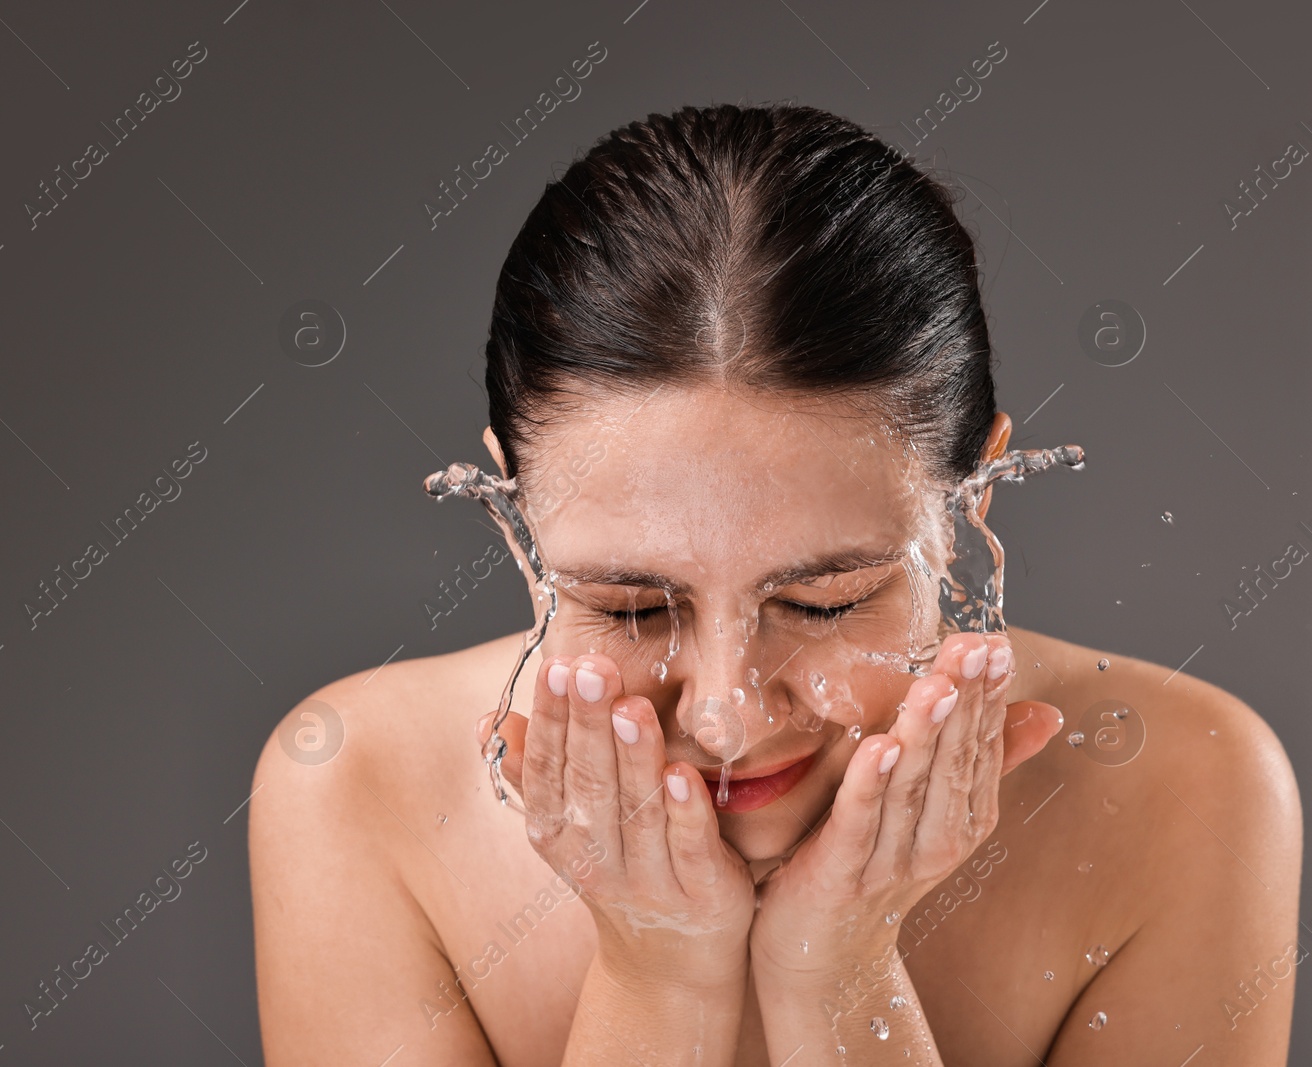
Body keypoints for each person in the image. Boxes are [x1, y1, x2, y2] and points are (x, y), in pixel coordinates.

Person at [249, 104, 1302, 1065]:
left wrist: (836, 974)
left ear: (969, 499)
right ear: (520, 519)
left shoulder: (1183, 794)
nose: (725, 714)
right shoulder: (359, 791)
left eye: (822, 601)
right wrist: (654, 971)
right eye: (629, 606)